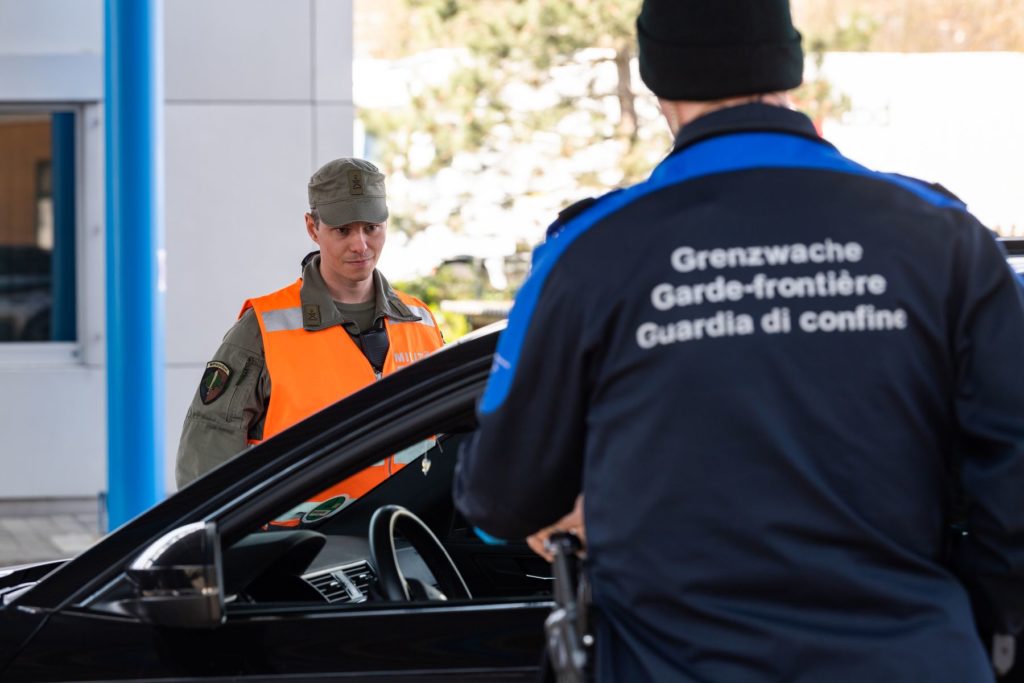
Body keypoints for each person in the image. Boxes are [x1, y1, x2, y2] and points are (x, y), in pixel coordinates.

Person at [453, 1, 1024, 680]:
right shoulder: (944, 235)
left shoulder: (590, 250)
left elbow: (499, 497)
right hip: (912, 656)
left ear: (656, 78)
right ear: (791, 63)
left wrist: (586, 500)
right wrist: (988, 625)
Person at [176, 158, 443, 489]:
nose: (360, 245)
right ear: (312, 228)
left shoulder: (422, 323)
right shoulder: (261, 329)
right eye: (342, 230)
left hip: (399, 533)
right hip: (300, 539)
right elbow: (204, 460)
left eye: (371, 228)